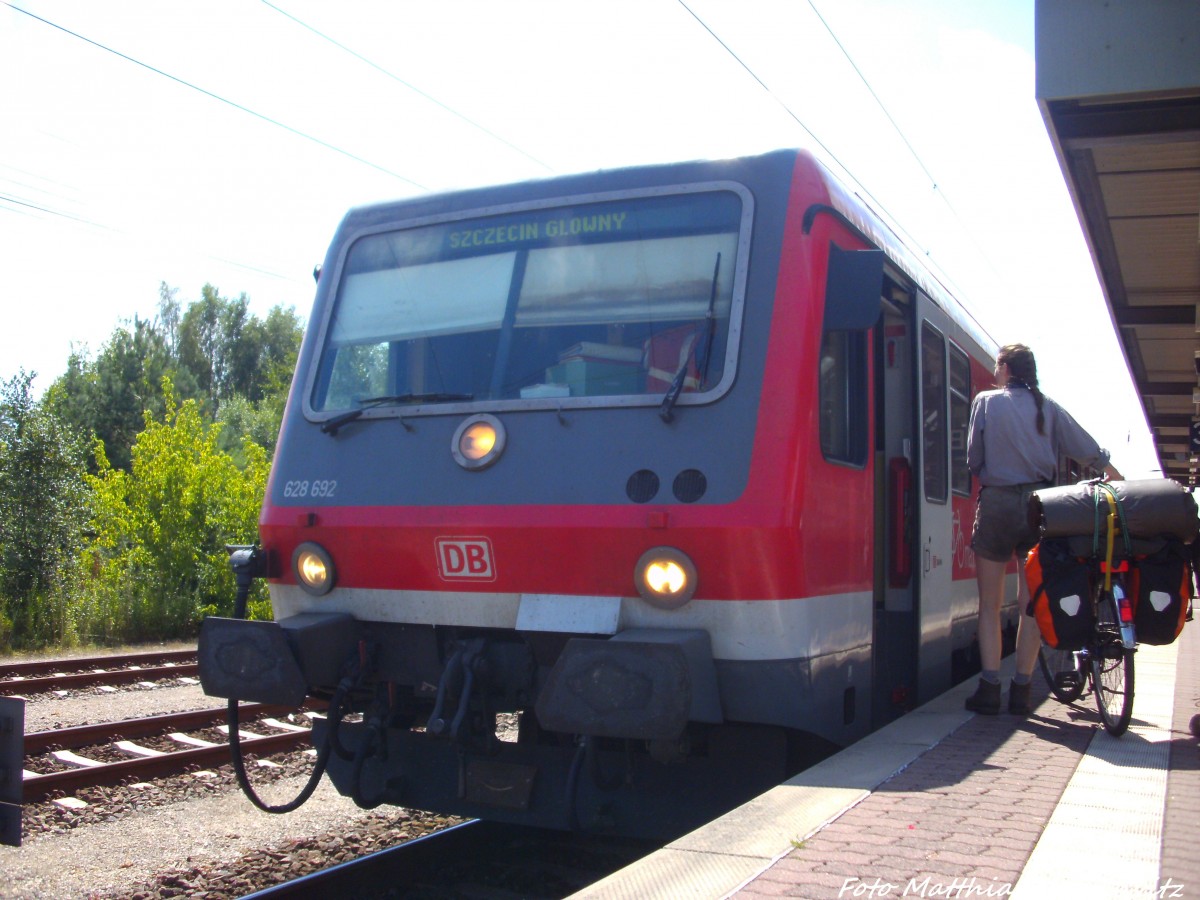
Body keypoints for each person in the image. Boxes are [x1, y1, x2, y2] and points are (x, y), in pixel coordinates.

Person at [965, 343, 1121, 715]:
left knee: (989, 604)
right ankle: (1021, 690)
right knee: (1030, 603)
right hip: (1041, 507)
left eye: (997, 367)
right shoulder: (1047, 408)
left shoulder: (986, 403)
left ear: (1005, 369)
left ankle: (989, 688)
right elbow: (1089, 451)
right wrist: (1116, 478)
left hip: (999, 504)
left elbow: (974, 459)